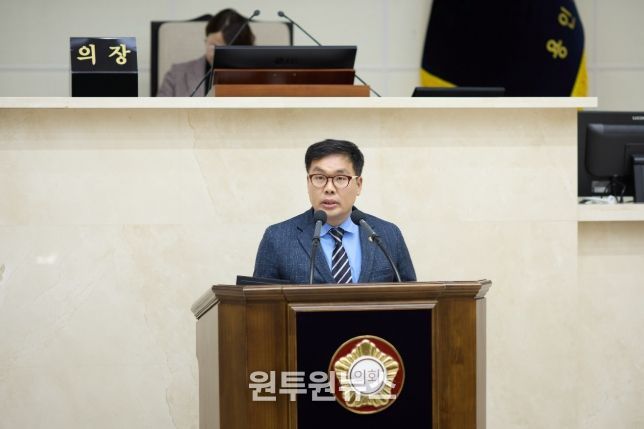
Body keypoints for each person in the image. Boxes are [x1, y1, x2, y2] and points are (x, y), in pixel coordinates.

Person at [253, 139, 416, 284]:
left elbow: (411, 299)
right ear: (308, 183)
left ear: (358, 185)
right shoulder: (277, 238)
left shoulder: (388, 235)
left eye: (340, 178)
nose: (329, 188)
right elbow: (261, 304)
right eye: (319, 178)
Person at [157, 9, 255, 97]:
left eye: (226, 49)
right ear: (206, 41)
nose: (218, 54)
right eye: (213, 45)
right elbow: (158, 110)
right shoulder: (176, 75)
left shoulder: (257, 78)